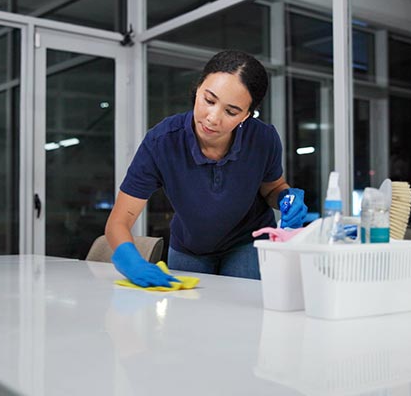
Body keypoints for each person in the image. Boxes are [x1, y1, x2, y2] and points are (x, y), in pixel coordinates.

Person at [105, 50, 307, 287]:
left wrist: (286, 198)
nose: (212, 118)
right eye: (208, 100)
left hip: (246, 242)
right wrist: (131, 261)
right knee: (190, 318)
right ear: (198, 89)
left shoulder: (263, 139)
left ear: (246, 115)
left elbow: (272, 188)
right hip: (190, 246)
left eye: (231, 111)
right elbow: (119, 221)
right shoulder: (162, 142)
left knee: (243, 315)